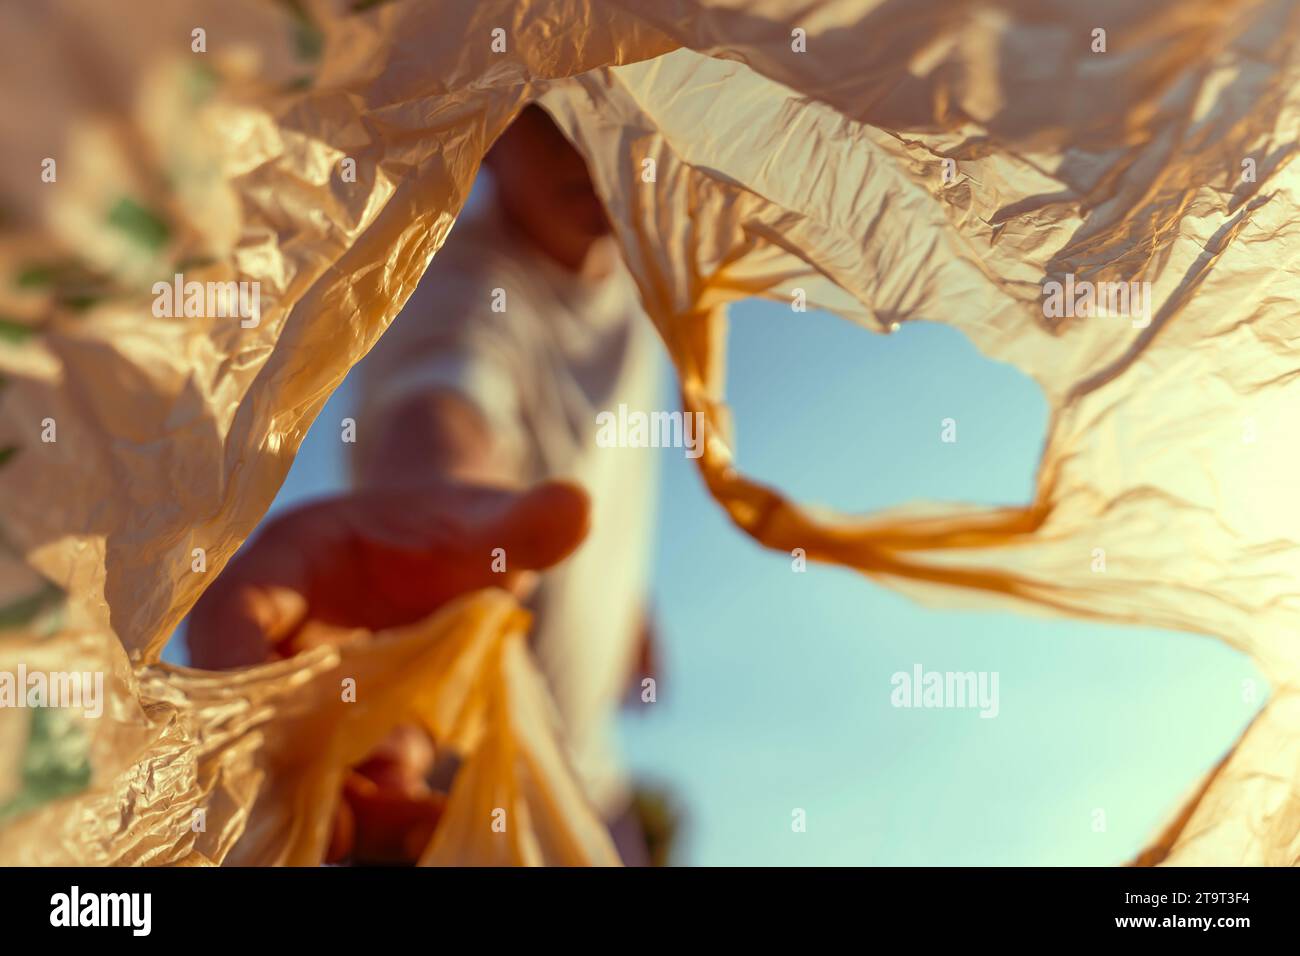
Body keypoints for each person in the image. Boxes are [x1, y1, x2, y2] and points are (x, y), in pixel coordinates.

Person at [188, 103, 662, 864]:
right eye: (550, 117)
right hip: (462, 808)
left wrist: (629, 609)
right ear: (490, 132)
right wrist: (430, 506)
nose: (584, 144)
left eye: (610, 106)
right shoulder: (458, 284)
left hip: (595, 789)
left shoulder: (642, 292)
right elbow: (443, 405)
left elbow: (586, 465)